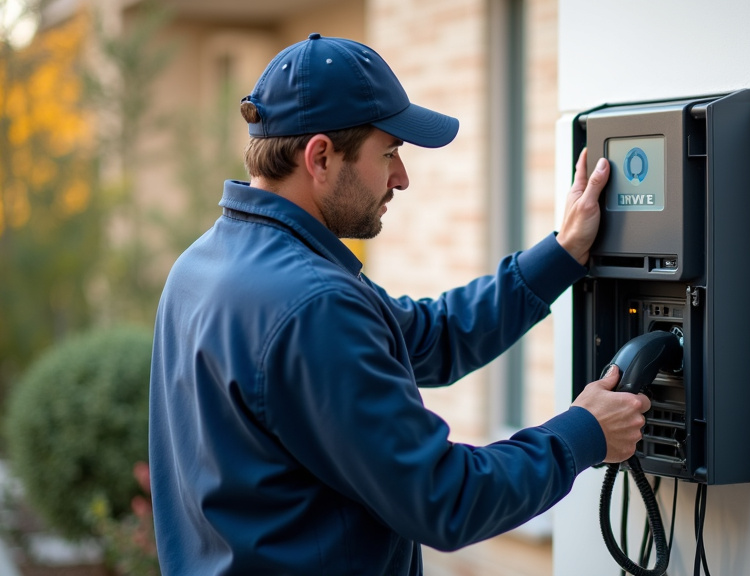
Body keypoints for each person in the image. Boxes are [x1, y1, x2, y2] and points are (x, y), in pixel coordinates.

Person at [149, 33, 650, 575]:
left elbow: (431, 337)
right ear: (320, 157)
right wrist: (583, 433)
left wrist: (563, 253)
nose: (401, 177)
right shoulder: (314, 304)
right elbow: (445, 498)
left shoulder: (201, 267)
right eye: (388, 153)